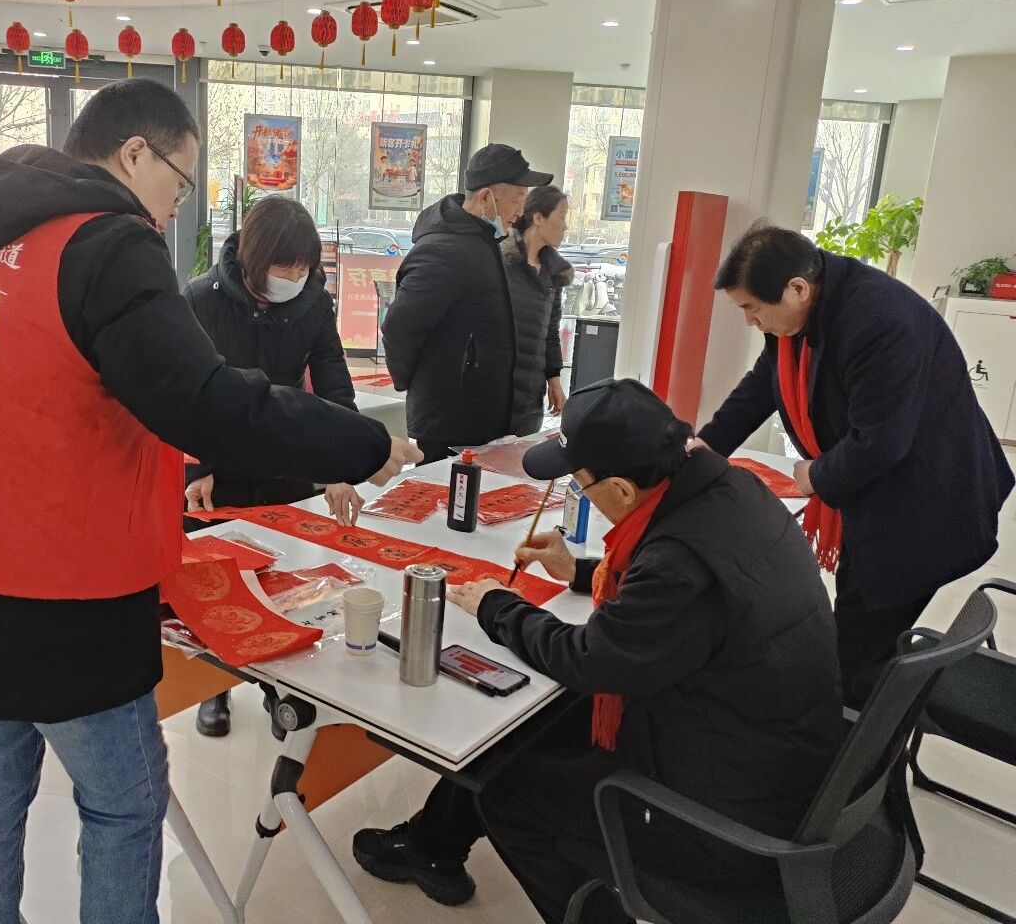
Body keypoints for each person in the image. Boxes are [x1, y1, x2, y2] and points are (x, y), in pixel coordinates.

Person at [0, 79, 421, 924]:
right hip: (61, 589)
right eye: (178, 181)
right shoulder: (105, 242)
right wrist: (365, 445)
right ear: (134, 153)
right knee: (123, 805)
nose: (172, 208)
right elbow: (206, 403)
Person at [352, 379, 842, 924]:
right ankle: (434, 844)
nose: (579, 493)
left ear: (622, 491)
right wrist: (579, 571)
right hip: (770, 749)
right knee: (523, 728)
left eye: (580, 484)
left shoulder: (680, 562)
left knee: (510, 794)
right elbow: (665, 611)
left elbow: (590, 659)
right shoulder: (727, 491)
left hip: (727, 814)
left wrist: (498, 607)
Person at [693, 222, 1014, 706]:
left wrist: (816, 476)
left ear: (797, 289)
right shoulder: (807, 308)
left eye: (751, 308)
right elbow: (764, 383)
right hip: (885, 491)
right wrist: (708, 446)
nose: (749, 321)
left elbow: (880, 442)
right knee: (850, 635)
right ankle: (852, 719)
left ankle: (857, 742)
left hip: (924, 507)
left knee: (856, 653)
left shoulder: (880, 321)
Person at [183, 194, 364, 738]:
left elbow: (332, 380)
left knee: (285, 579)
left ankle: (279, 687)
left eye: (303, 267)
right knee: (216, 581)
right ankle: (212, 686)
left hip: (285, 459)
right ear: (252, 257)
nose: (294, 277)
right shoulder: (200, 300)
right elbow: (181, 391)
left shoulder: (313, 303)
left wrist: (343, 460)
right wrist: (197, 468)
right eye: (284, 266)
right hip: (219, 465)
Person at [381, 143, 553, 463]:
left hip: (485, 422)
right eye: (517, 199)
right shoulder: (444, 250)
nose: (521, 211)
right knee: (447, 495)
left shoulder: (488, 243)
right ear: (486, 197)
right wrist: (417, 382)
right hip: (452, 424)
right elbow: (399, 328)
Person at [499, 185, 571, 434]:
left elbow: (550, 332)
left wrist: (554, 379)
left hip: (531, 398)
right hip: (496, 393)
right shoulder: (500, 262)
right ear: (538, 218)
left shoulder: (555, 274)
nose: (565, 226)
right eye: (561, 217)